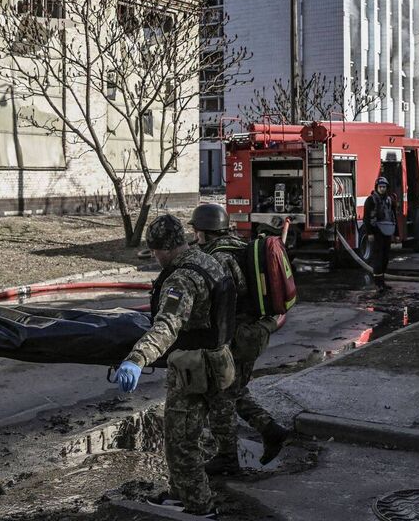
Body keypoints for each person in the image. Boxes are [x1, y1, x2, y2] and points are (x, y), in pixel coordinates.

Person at [111, 214, 236, 519]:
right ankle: (180, 493)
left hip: (193, 370)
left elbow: (168, 324)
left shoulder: (180, 278)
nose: (155, 258)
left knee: (181, 442)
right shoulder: (208, 261)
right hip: (218, 360)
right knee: (195, 432)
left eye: (154, 252)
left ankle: (199, 507)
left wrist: (136, 359)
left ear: (165, 249)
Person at [189, 203, 290, 475]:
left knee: (220, 397)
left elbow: (226, 299)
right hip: (252, 333)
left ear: (203, 232)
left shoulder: (217, 258)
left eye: (197, 231)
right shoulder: (238, 244)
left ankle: (227, 458)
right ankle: (271, 430)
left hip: (235, 336)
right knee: (234, 390)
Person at [362, 176, 399, 289]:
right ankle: (378, 283)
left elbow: (394, 217)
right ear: (377, 187)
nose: (382, 189)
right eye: (380, 187)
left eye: (384, 187)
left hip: (387, 233)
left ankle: (382, 282)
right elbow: (366, 218)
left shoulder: (389, 200)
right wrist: (370, 233)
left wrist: (396, 234)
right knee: (378, 258)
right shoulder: (371, 200)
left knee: (385, 258)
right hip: (376, 232)